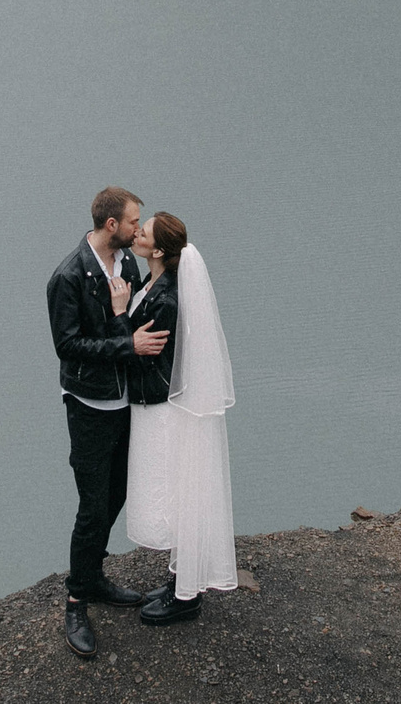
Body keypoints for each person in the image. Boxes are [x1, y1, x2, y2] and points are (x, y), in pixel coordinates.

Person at [45, 186, 169, 658]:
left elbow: (130, 323)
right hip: (90, 406)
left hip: (125, 404)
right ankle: (77, 599)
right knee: (93, 505)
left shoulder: (129, 265)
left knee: (118, 492)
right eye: (134, 221)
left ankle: (94, 576)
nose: (140, 228)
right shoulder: (68, 276)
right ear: (111, 224)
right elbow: (68, 346)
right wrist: (127, 345)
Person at [122, 210, 237, 625]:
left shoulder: (167, 298)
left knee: (180, 495)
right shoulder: (153, 282)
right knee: (174, 493)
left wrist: (120, 316)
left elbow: (146, 353)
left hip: (162, 411)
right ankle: (179, 579)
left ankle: (187, 596)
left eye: (144, 232)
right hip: (154, 409)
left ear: (158, 249)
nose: (136, 233)